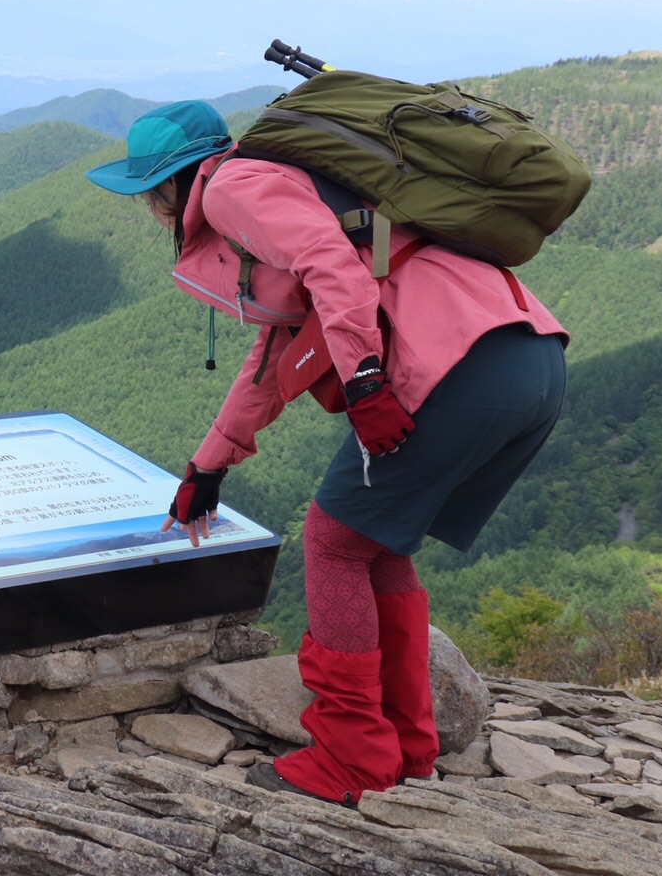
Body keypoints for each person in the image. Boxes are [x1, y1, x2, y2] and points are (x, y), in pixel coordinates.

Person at [89, 99, 568, 807]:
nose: (150, 210)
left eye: (149, 191)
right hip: (527, 356)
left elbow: (331, 268)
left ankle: (350, 758)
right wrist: (208, 465)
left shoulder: (231, 189)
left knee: (334, 544)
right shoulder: (285, 186)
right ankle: (405, 747)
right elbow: (278, 350)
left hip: (456, 364)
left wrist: (366, 380)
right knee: (375, 545)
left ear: (175, 182)